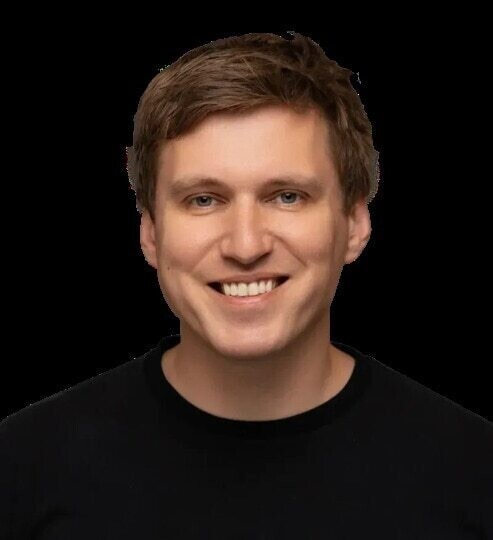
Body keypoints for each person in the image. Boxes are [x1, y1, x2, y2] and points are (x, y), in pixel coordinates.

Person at [1, 31, 491, 539]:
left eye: (287, 196)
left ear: (354, 223)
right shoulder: (24, 465)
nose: (245, 244)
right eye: (204, 200)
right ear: (151, 234)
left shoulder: (473, 470)